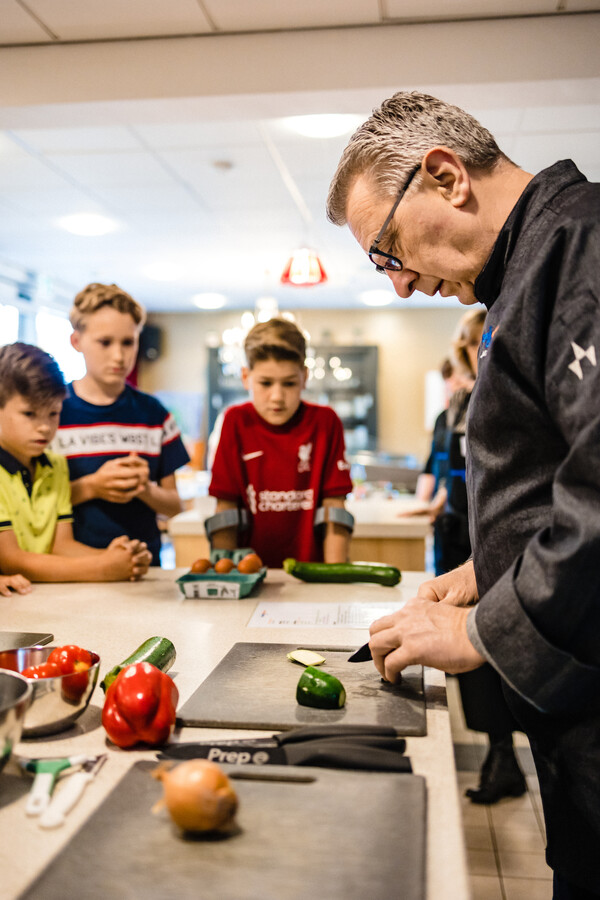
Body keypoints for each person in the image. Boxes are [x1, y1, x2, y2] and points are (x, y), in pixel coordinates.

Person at [327, 91, 600, 896]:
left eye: (388, 250)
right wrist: (493, 566)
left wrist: (485, 629)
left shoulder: (577, 243)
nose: (402, 286)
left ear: (445, 176)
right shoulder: (526, 270)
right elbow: (561, 473)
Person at [55, 283, 190, 566]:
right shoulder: (54, 413)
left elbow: (175, 505)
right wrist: (92, 486)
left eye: (128, 342)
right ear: (76, 341)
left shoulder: (154, 414)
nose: (118, 356)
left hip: (145, 569)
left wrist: (145, 489)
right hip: (74, 568)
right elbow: (30, 505)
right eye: (105, 342)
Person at [208, 318, 353, 568]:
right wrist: (225, 578)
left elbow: (335, 509)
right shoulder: (235, 421)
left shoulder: (325, 422)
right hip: (249, 573)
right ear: (246, 377)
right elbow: (226, 508)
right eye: (265, 383)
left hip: (311, 574)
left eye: (289, 383)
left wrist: (334, 579)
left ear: (305, 377)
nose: (277, 396)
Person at [0, 342, 151, 582]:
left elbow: (61, 545)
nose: (44, 427)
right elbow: (11, 560)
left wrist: (118, 559)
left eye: (53, 413)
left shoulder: (57, 466)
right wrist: (103, 568)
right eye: (29, 414)